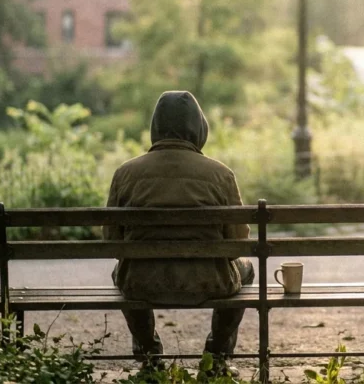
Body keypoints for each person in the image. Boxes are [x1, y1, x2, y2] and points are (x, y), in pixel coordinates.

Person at [104, 91, 253, 371]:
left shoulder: (125, 173)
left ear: (155, 127)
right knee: (248, 270)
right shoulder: (220, 174)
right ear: (199, 127)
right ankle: (216, 358)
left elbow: (113, 242)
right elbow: (238, 244)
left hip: (141, 282)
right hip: (210, 281)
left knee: (121, 272)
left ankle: (150, 357)